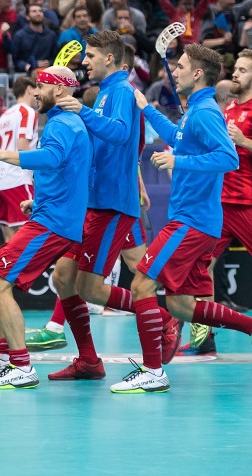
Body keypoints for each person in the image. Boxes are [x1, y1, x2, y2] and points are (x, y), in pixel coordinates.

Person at [116, 45, 252, 392]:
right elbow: (175, 138)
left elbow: (229, 158)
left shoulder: (206, 113)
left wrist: (177, 163)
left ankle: (152, 372)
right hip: (196, 220)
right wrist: (146, 109)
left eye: (180, 66)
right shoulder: (196, 112)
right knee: (181, 305)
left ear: (198, 73)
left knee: (141, 284)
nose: (175, 70)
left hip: (191, 221)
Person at [38, 31, 164, 381]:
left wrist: (81, 111)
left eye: (91, 56)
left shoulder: (122, 90)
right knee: (64, 278)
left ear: (109, 59)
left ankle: (159, 316)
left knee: (91, 287)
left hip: (111, 203)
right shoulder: (106, 94)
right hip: (90, 202)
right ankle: (89, 360)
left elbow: (122, 133)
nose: (85, 62)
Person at [0, 66, 92, 389]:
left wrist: (1, 154)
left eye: (41, 86)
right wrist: (36, 202)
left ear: (60, 91)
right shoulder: (66, 122)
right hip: (50, 214)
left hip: (54, 223)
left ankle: (21, 365)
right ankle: (4, 358)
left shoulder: (62, 123)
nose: (35, 92)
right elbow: (64, 170)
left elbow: (51, 158)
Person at [181, 50, 252, 355]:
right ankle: (204, 339)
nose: (235, 74)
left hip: (251, 204)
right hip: (220, 205)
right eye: (235, 69)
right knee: (200, 268)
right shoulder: (228, 107)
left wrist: (244, 141)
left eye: (243, 70)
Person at [0, 77, 39, 243]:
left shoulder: (4, 116)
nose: (39, 93)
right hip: (17, 178)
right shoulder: (27, 112)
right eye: (37, 88)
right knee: (28, 231)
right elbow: (23, 146)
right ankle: (25, 270)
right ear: (29, 89)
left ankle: (6, 269)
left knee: (10, 234)